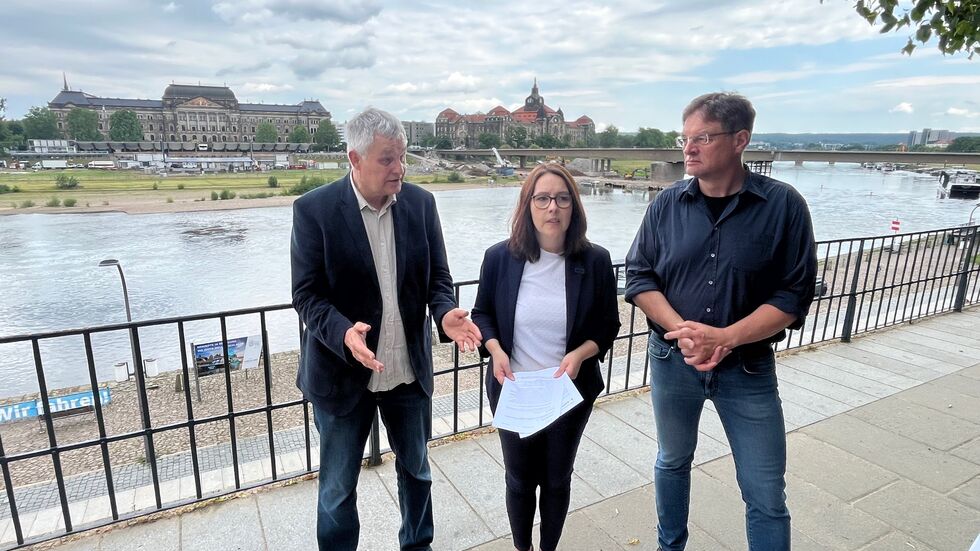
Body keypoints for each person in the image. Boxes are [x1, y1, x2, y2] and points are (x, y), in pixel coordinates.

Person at [625, 92, 817, 551]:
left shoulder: (784, 207)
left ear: (740, 140)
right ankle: (669, 546)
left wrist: (727, 337)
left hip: (747, 369)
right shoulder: (666, 205)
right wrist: (685, 332)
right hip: (672, 359)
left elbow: (793, 295)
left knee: (765, 489)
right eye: (685, 138)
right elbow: (638, 275)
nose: (688, 148)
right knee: (672, 461)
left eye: (703, 138)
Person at [290, 107, 482, 551]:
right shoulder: (313, 211)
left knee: (417, 473)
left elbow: (438, 279)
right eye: (387, 159)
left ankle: (418, 546)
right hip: (341, 374)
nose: (400, 168)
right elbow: (306, 294)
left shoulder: (421, 204)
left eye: (403, 157)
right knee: (337, 489)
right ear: (354, 159)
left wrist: (445, 313)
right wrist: (343, 332)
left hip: (407, 372)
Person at [472, 163, 621, 551]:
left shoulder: (596, 261)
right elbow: (482, 314)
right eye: (542, 198)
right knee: (519, 479)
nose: (552, 207)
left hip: (568, 390)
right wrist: (494, 349)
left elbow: (608, 325)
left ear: (574, 206)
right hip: (514, 386)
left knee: (556, 479)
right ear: (527, 205)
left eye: (561, 198)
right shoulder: (499, 258)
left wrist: (580, 354)